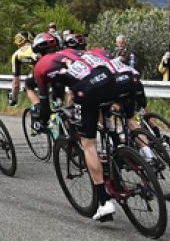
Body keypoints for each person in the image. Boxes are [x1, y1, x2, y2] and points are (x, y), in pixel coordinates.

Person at [32, 32, 118, 221]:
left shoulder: (39, 67)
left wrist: (42, 120)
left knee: (89, 144)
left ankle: (104, 202)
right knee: (106, 120)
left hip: (87, 89)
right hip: (110, 79)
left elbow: (45, 105)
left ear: (38, 53)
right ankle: (124, 152)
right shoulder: (72, 53)